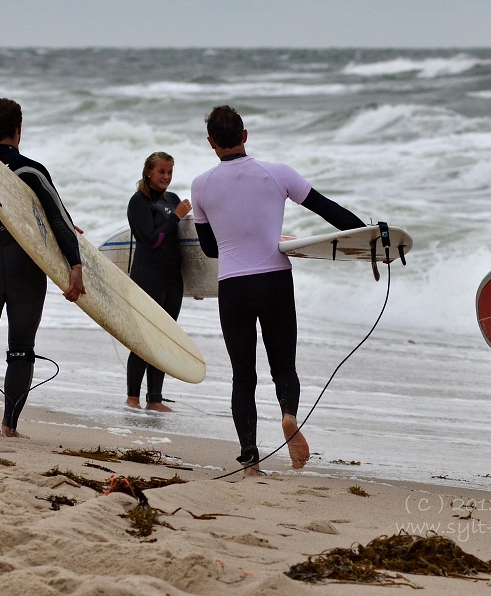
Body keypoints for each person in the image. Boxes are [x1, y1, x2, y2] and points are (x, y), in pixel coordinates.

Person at [191, 105, 366, 476]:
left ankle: (250, 461)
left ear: (211, 143)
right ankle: (288, 416)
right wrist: (369, 236)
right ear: (245, 135)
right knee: (283, 366)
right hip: (274, 280)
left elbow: (209, 249)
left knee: (244, 375)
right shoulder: (277, 173)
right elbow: (328, 210)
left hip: (233, 286)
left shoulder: (201, 185)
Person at [0, 97, 86, 437]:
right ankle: (9, 427)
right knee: (20, 349)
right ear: (18, 129)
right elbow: (58, 220)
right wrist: (75, 263)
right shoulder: (30, 170)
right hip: (24, 270)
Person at [124, 151, 192, 412]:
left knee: (164, 338)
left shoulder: (172, 199)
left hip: (173, 278)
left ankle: (155, 399)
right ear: (149, 172)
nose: (166, 177)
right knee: (144, 338)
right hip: (147, 277)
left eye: (170, 172)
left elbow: (182, 244)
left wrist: (197, 281)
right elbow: (152, 240)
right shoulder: (138, 202)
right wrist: (175, 217)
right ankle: (132, 397)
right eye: (161, 171)